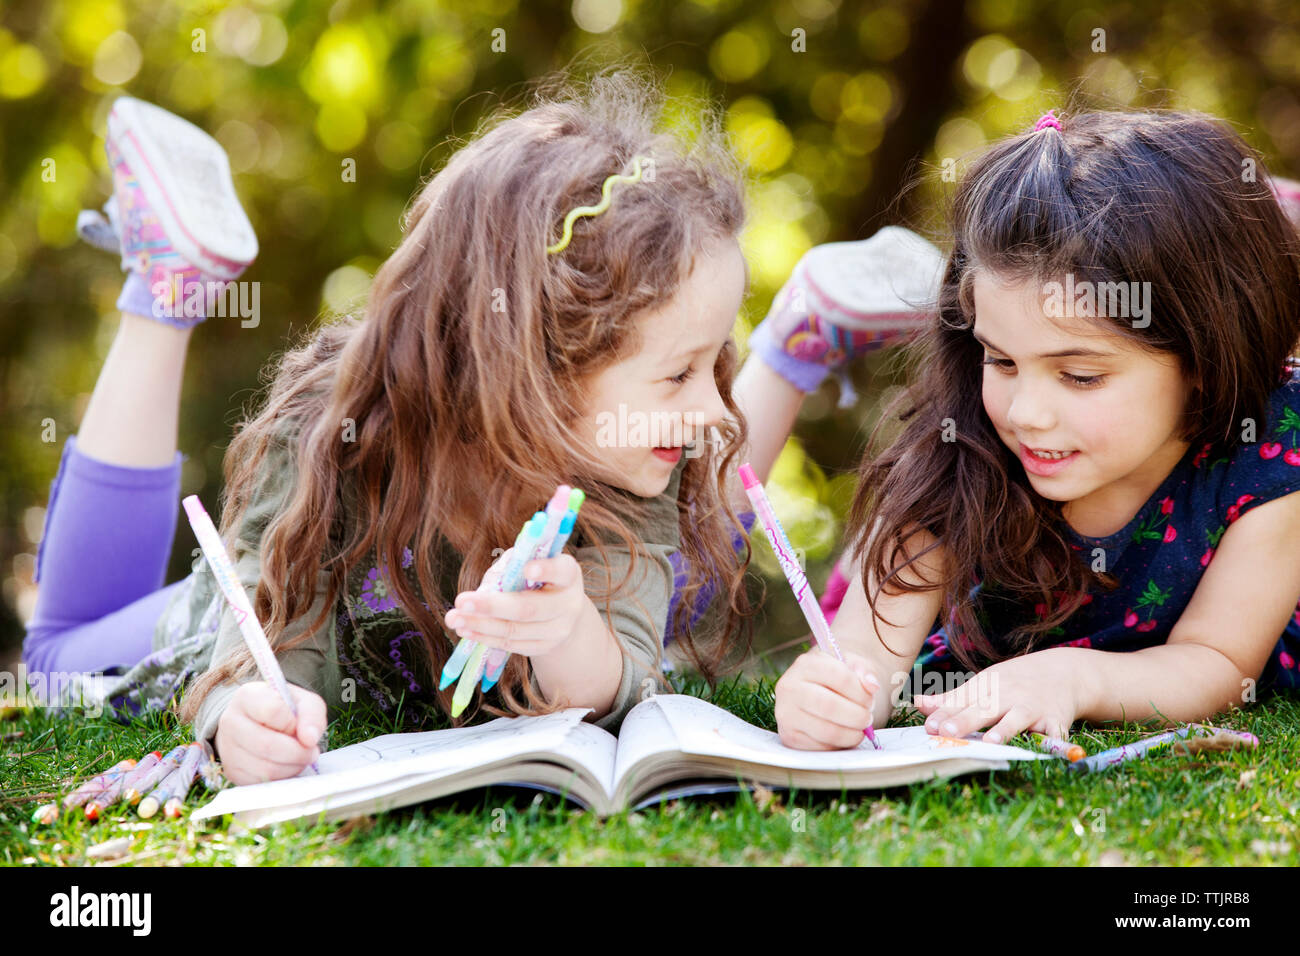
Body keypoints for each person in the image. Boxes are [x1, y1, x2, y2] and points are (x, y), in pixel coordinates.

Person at [776, 108, 1300, 751]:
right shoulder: (958, 443)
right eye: (1001, 360)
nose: (1026, 412)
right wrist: (832, 691)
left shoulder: (1267, 452)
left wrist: (1069, 677)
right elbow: (867, 654)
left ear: (1202, 359)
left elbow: (1216, 661)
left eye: (1079, 376)